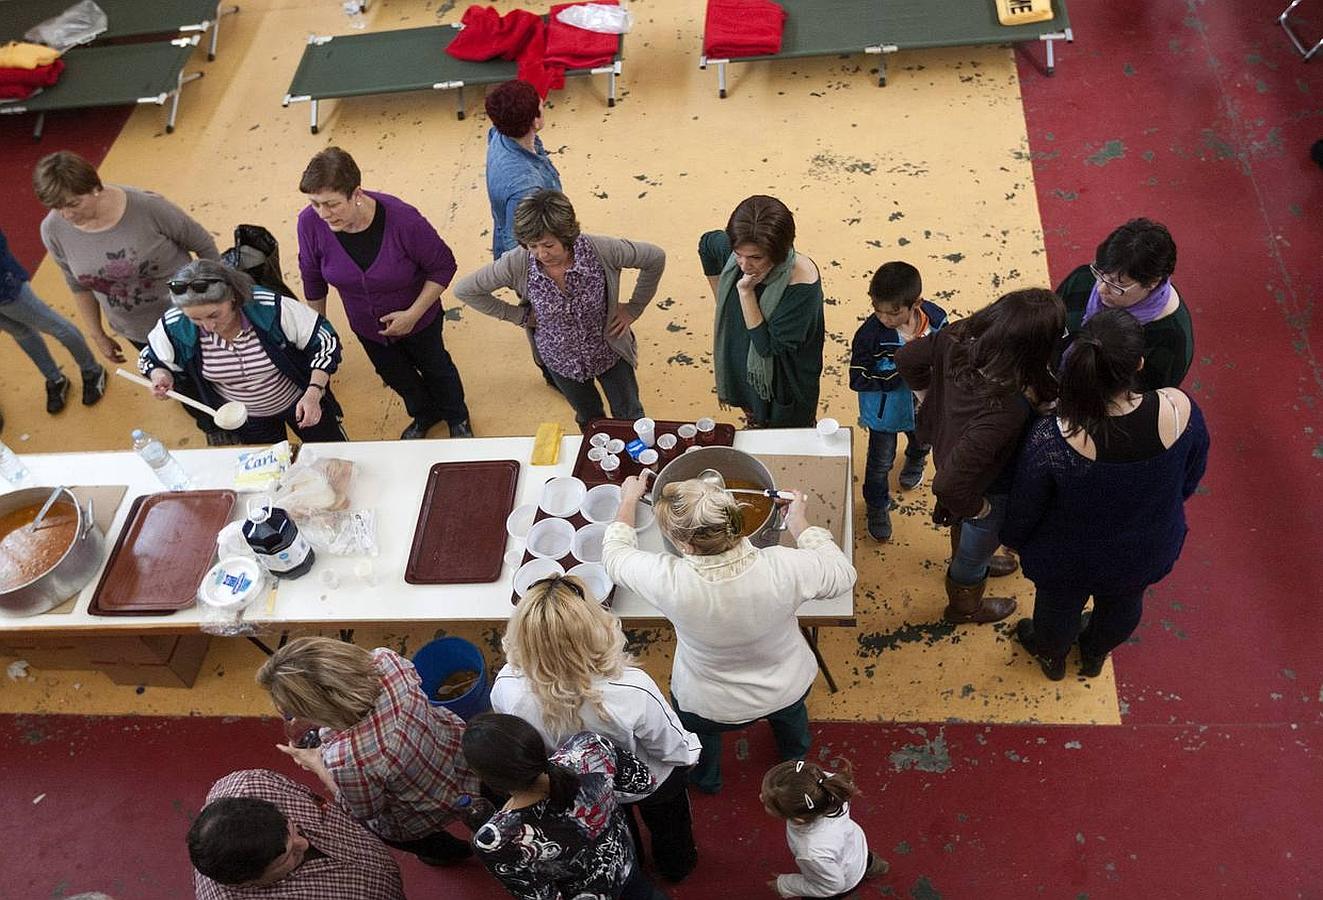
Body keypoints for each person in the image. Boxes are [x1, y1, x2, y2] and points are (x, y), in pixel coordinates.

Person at [603, 475, 856, 795]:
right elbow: (843, 574)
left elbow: (614, 556)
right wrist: (798, 522)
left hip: (709, 703)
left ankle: (707, 779)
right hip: (787, 684)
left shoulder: (668, 579)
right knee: (792, 719)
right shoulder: (784, 566)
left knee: (700, 737)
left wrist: (629, 499)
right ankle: (795, 756)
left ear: (684, 544)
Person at [1002, 309, 1210, 680]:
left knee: (1056, 611)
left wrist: (1013, 540)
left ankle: (1051, 657)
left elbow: (1026, 506)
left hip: (1069, 558)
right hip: (1145, 549)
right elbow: (1191, 476)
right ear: (1140, 363)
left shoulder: (1056, 436)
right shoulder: (1180, 410)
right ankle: (1095, 653)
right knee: (1125, 604)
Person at [490, 574, 702, 882]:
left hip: (578, 787)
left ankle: (633, 867)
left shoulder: (508, 685)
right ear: (592, 630)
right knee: (671, 826)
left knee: (616, 833)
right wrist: (691, 757)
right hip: (648, 781)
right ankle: (676, 867)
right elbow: (671, 746)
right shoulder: (631, 687)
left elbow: (517, 738)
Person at [895, 288, 1064, 625]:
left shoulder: (958, 335)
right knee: (977, 535)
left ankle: (973, 557)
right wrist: (979, 508)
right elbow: (949, 486)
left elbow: (907, 358)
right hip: (987, 484)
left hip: (948, 447)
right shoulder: (1006, 409)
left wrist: (929, 398)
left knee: (967, 530)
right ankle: (965, 606)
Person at [34, 150, 220, 436]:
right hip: (138, 330)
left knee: (218, 376)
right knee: (182, 387)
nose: (67, 214)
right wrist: (98, 334)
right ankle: (211, 425)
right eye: (58, 207)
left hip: (191, 320)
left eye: (73, 203)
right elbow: (78, 284)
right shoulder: (53, 229)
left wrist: (217, 302)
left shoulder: (147, 207)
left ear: (95, 188)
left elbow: (203, 245)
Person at [256, 637, 480, 866]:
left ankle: (455, 852)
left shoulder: (345, 759)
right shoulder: (386, 661)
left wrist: (317, 764)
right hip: (464, 758)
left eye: (293, 712)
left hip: (421, 813)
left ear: (315, 710)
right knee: (489, 808)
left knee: (414, 839)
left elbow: (365, 810)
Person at [297, 147, 472, 440]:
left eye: (332, 204)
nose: (323, 214)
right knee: (394, 375)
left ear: (357, 194)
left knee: (436, 367)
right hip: (368, 327)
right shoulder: (310, 223)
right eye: (315, 204)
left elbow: (443, 266)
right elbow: (312, 277)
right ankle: (424, 414)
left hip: (419, 319)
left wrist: (412, 315)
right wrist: (320, 330)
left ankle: (457, 417)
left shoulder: (403, 220)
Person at [453, 190, 664, 430]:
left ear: (567, 236)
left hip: (610, 352)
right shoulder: (518, 262)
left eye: (549, 245)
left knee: (629, 414)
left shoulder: (602, 250)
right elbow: (466, 290)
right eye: (533, 246)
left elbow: (654, 258)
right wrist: (518, 315)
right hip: (560, 360)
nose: (542, 254)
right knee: (589, 418)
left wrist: (634, 308)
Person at [462, 712, 667, 900]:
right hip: (625, 863)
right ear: (533, 742)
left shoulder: (495, 839)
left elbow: (543, 897)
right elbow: (644, 782)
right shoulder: (589, 748)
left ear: (488, 780)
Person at [139, 260, 345, 444]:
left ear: (233, 299)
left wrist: (314, 391)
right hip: (246, 418)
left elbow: (325, 340)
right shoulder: (175, 324)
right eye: (196, 319)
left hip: (300, 402)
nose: (208, 326)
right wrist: (160, 375)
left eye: (214, 315)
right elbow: (151, 358)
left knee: (331, 453)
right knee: (271, 469)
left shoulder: (270, 308)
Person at [699, 195, 824, 428]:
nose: (745, 266)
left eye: (756, 257)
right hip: (745, 368)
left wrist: (745, 292)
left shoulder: (801, 284)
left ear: (778, 252)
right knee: (754, 419)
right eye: (739, 255)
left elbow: (769, 347)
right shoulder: (736, 250)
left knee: (786, 436)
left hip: (784, 382)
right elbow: (706, 245)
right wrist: (723, 302)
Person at [188, 768, 405, 899]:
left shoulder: (252, 783)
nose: (304, 844)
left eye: (292, 829)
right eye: (288, 856)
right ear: (243, 883)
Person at [848, 261, 948, 541]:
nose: (884, 318)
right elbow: (857, 377)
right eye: (877, 309)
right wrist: (897, 373)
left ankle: (915, 460)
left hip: (925, 407)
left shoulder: (937, 320)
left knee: (922, 440)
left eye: (892, 313)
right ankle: (877, 505)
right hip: (886, 414)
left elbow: (950, 352)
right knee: (879, 463)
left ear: (917, 303)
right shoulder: (869, 335)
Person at [1056, 218, 1193, 391]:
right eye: (1101, 273)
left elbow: (1144, 402)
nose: (1101, 289)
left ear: (1152, 283)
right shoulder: (1082, 280)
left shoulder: (1170, 339)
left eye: (1117, 285)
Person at [0, 226, 106, 413]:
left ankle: (92, 370)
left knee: (54, 326)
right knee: (20, 333)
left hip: (7, 289)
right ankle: (54, 378)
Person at [761, 758, 889, 898]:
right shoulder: (823, 789)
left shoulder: (811, 851)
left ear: (799, 819)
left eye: (768, 803)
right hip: (856, 847)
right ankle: (877, 867)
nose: (761, 797)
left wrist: (785, 884)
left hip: (845, 879)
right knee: (867, 861)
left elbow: (831, 886)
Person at [485, 79, 564, 260]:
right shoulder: (526, 189)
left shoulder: (499, 131)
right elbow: (519, 245)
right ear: (535, 122)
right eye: (541, 106)